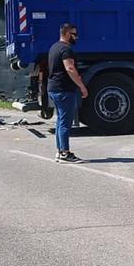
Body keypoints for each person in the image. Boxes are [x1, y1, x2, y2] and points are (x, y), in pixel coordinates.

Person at [47, 23, 87, 163]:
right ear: (67, 34)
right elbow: (70, 68)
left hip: (53, 88)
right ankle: (65, 153)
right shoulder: (66, 49)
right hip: (63, 89)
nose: (77, 37)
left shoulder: (54, 47)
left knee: (60, 121)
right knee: (65, 122)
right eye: (74, 34)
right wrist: (82, 86)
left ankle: (59, 151)